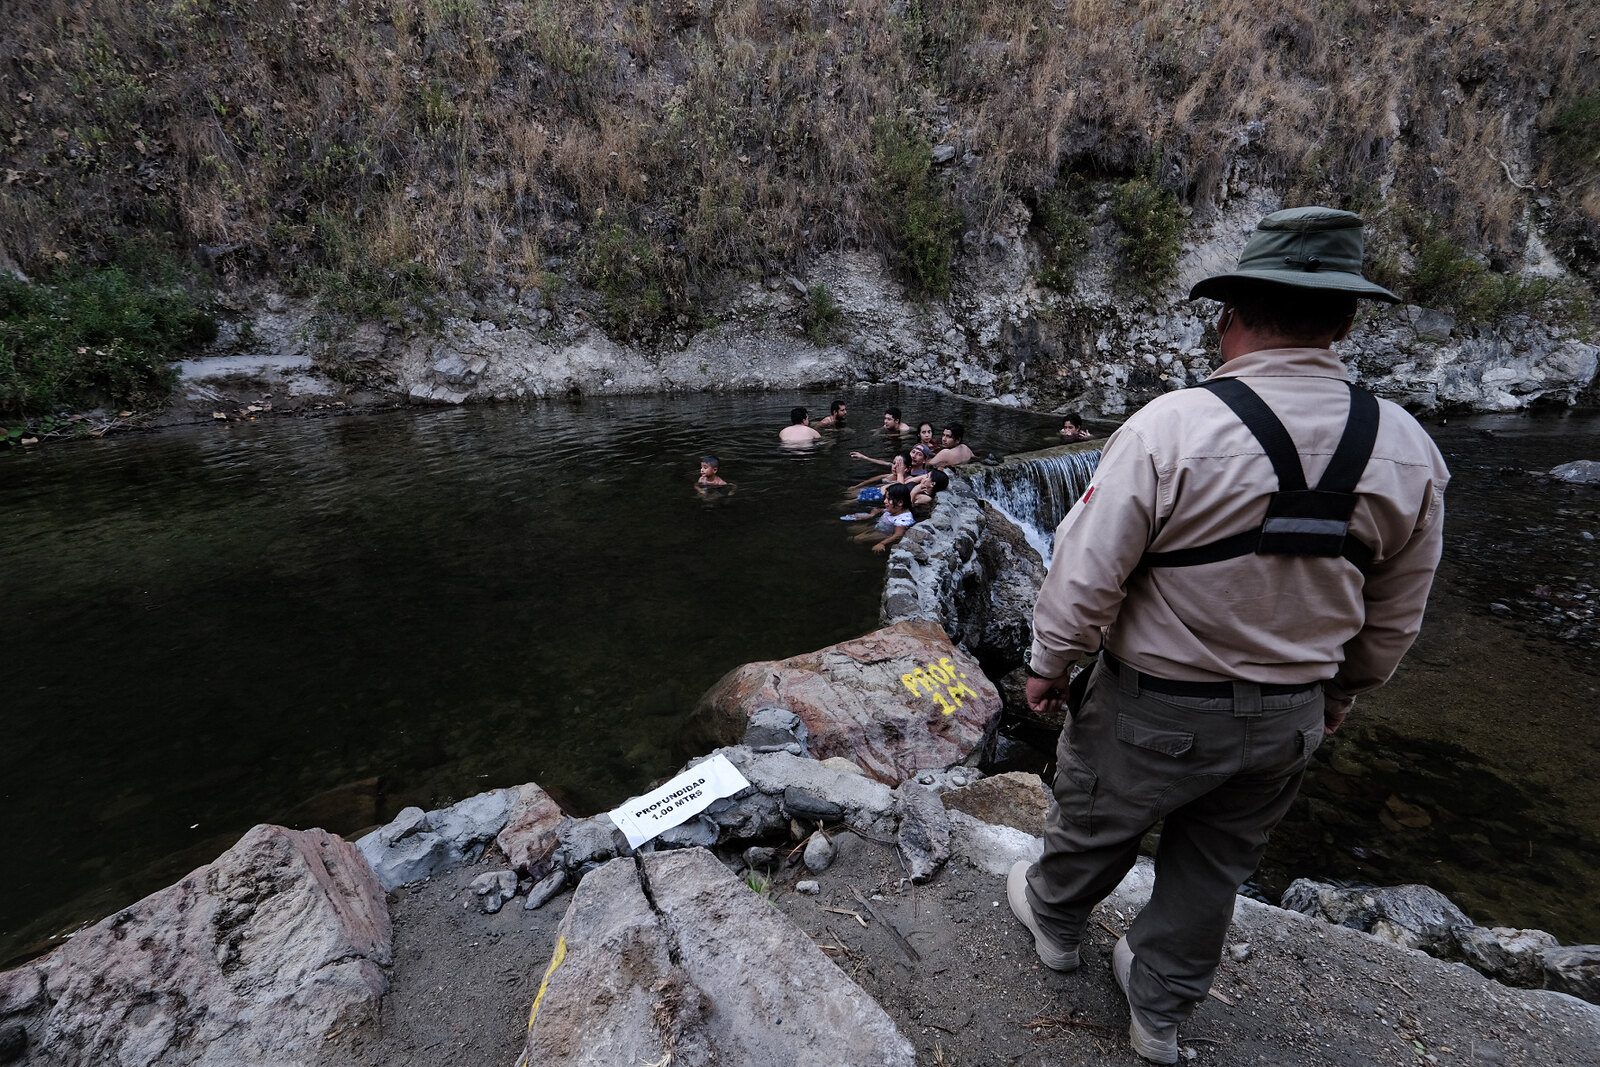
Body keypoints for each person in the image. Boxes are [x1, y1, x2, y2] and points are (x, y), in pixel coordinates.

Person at [1006, 207, 1450, 1064]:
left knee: (1097, 817)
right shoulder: (1409, 449)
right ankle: (1160, 1009)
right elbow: (1397, 610)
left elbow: (1087, 568)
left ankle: (1057, 923)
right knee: (1214, 865)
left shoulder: (1173, 426)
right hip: (1289, 716)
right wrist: (1342, 693)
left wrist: (1050, 662)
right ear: (1347, 323)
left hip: (1152, 702)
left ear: (1231, 314)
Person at [853, 482, 915, 553]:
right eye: (885, 498)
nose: (885, 501)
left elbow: (898, 535)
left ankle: (862, 551)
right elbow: (880, 510)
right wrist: (871, 515)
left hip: (884, 534)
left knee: (857, 539)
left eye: (888, 499)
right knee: (851, 529)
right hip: (878, 526)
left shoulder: (904, 519)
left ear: (900, 503)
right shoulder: (895, 509)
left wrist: (882, 543)